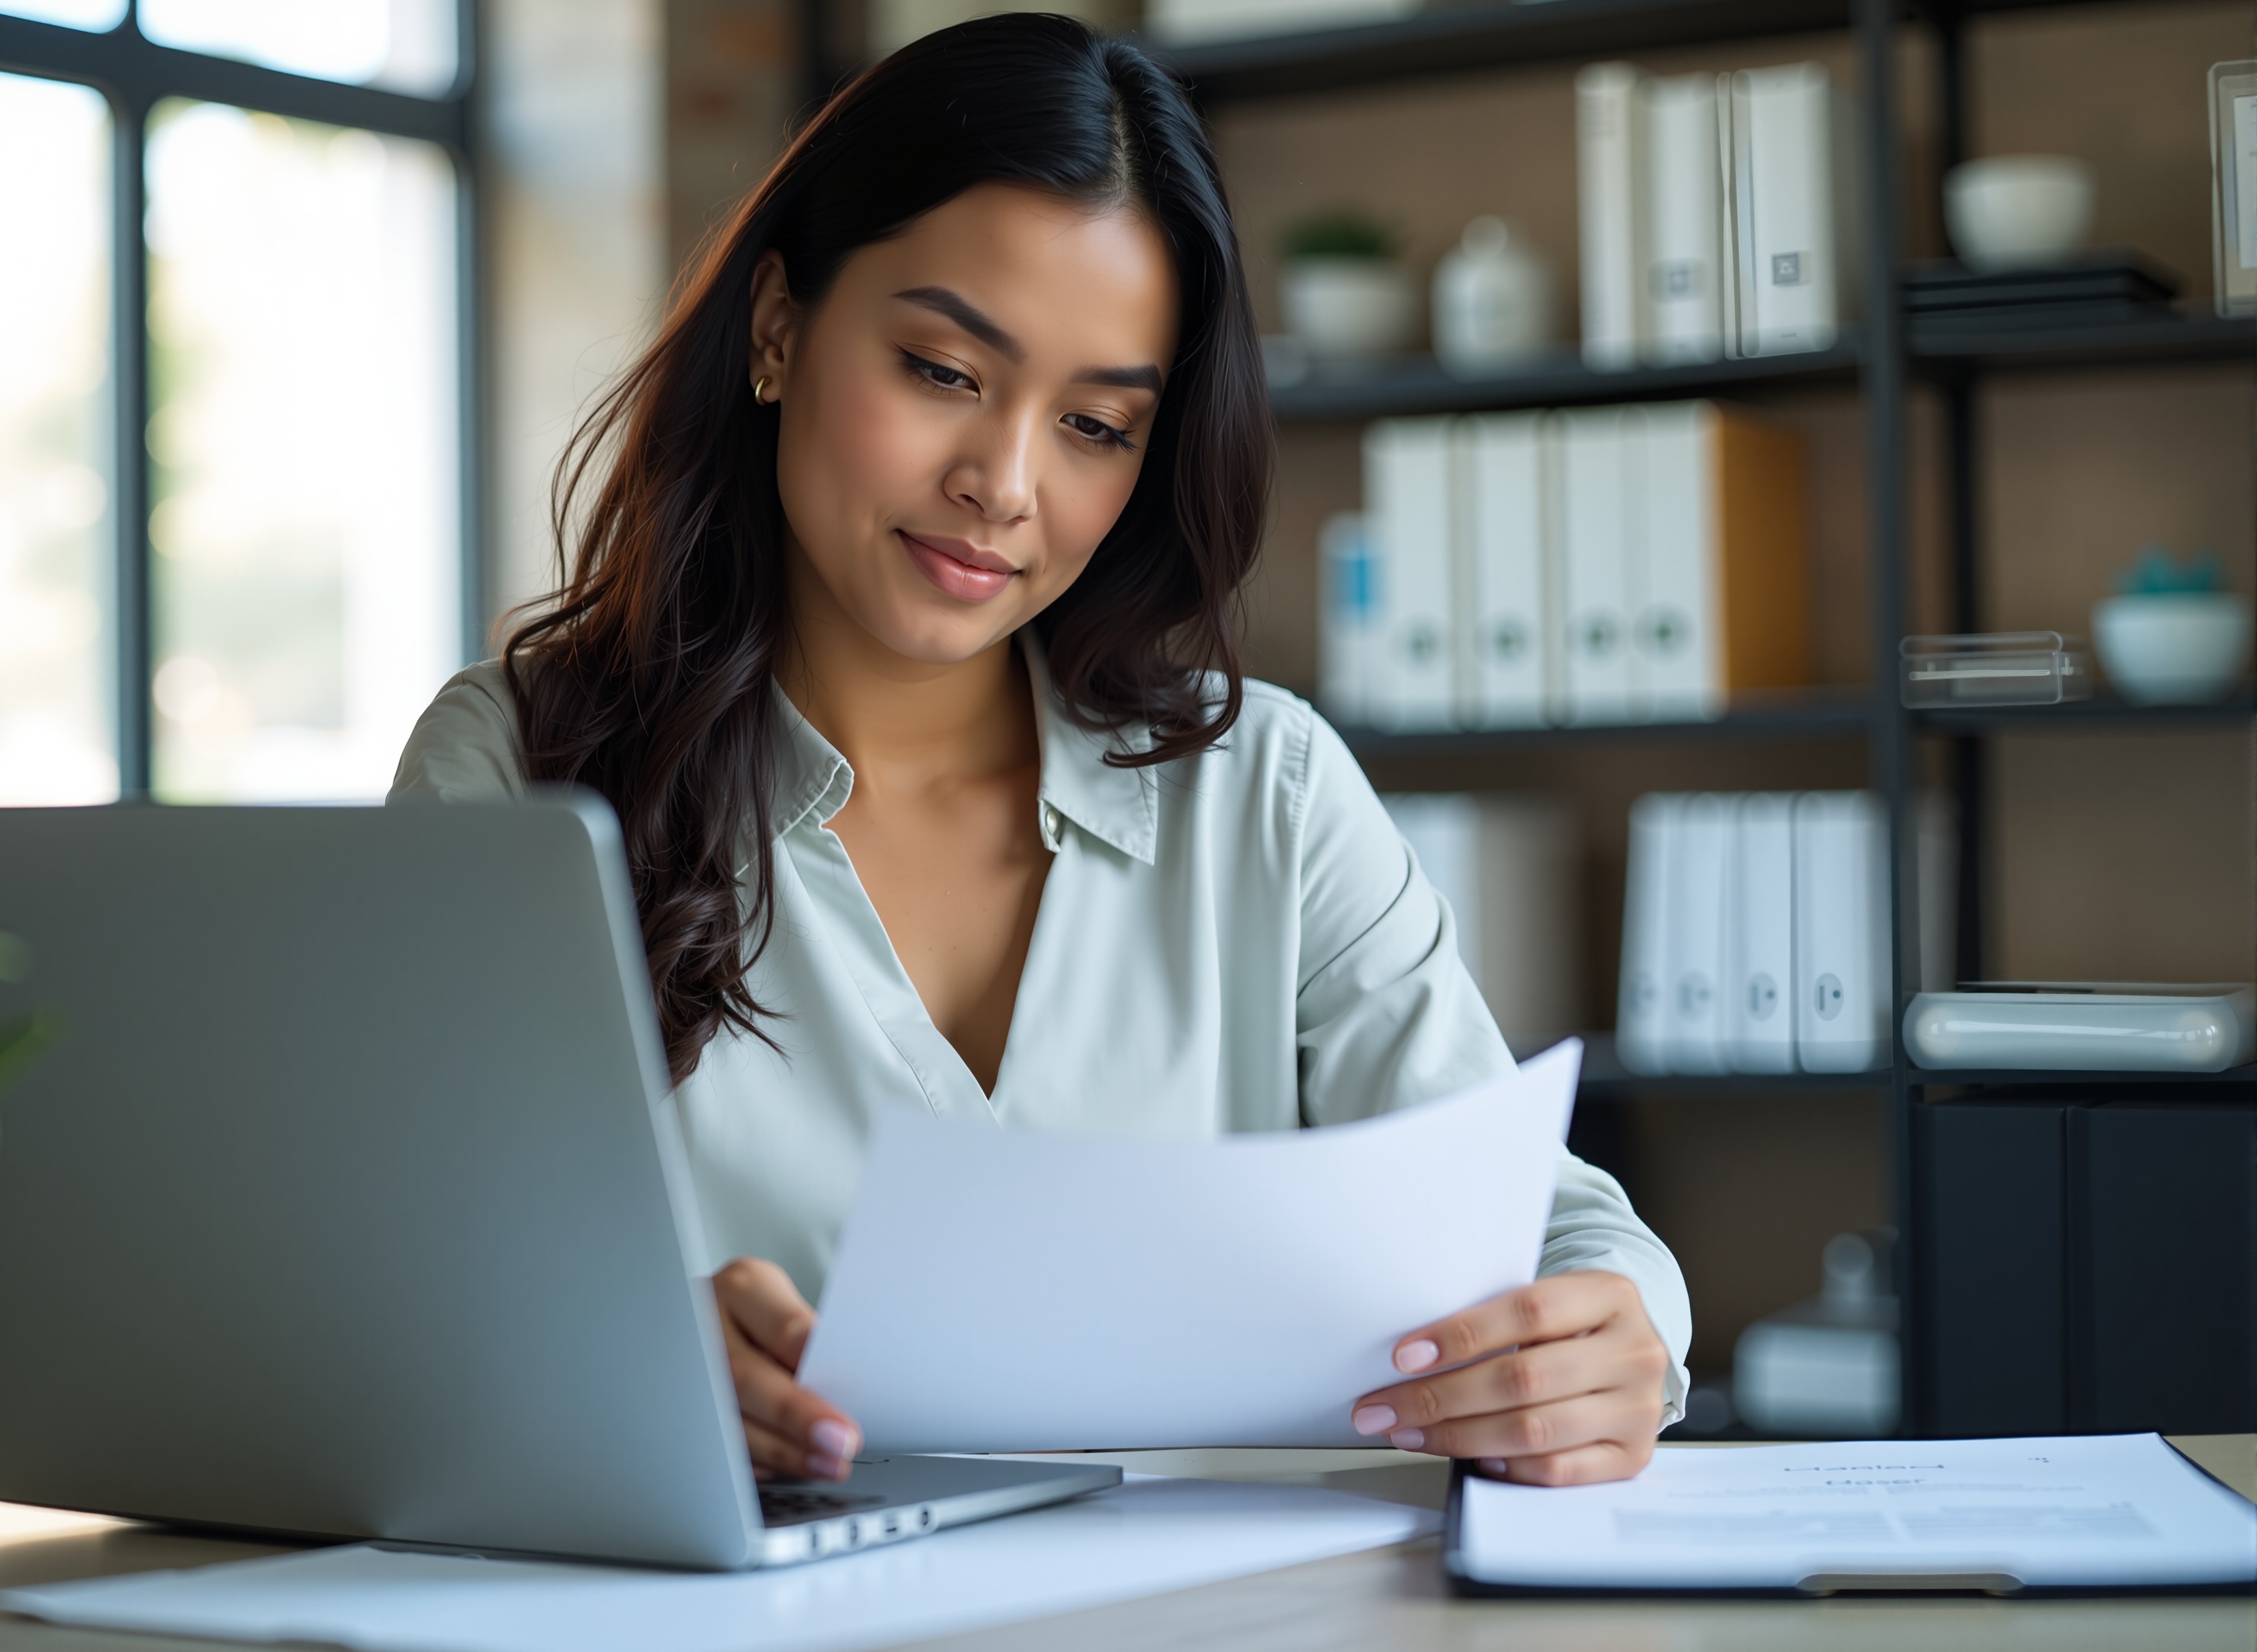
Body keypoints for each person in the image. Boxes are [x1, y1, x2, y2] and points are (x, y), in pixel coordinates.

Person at [395, 14, 1690, 1489]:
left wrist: (1616, 1334)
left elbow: (1537, 1221)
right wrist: (609, 1352)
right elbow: (379, 1283)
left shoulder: (1259, 789)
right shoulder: (517, 767)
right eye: (943, 370)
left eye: (1092, 422)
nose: (1001, 486)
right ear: (773, 330)